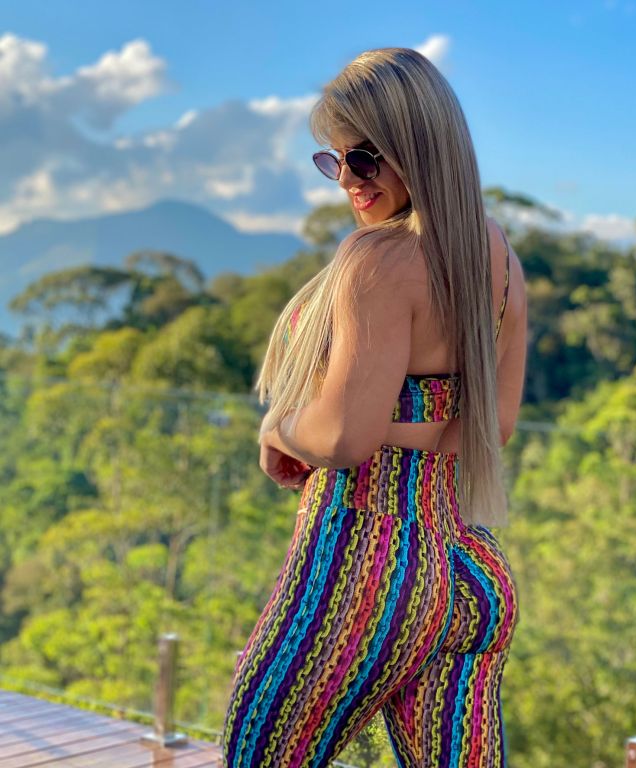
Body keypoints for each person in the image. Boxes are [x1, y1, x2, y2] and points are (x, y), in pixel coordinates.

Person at [223, 47, 527, 767]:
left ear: (419, 145)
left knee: (256, 752)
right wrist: (407, 422)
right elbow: (494, 425)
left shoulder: (379, 260)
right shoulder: (497, 256)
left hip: (365, 566)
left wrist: (279, 425)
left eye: (364, 158)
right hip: (467, 566)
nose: (348, 181)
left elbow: (343, 438)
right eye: (334, 161)